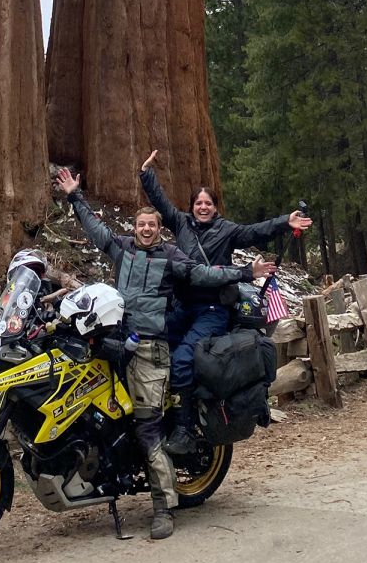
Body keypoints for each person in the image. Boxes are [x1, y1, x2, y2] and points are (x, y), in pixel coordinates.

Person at [54, 165, 273, 541]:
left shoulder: (171, 258)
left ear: (159, 229)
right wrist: (75, 195)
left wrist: (242, 274)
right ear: (134, 228)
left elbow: (205, 275)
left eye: (152, 225)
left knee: (147, 425)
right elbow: (95, 230)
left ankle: (162, 508)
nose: (146, 229)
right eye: (141, 224)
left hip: (150, 349)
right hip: (115, 342)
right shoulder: (121, 249)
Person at [139, 150, 312, 456]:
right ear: (192, 207)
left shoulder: (227, 231)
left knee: (182, 359)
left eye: (208, 203)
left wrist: (286, 221)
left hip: (213, 310)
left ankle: (186, 428)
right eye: (198, 203)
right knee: (151, 344)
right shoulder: (181, 224)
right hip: (183, 307)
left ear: (215, 208)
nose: (203, 207)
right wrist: (146, 175)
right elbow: (161, 203)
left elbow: (256, 231)